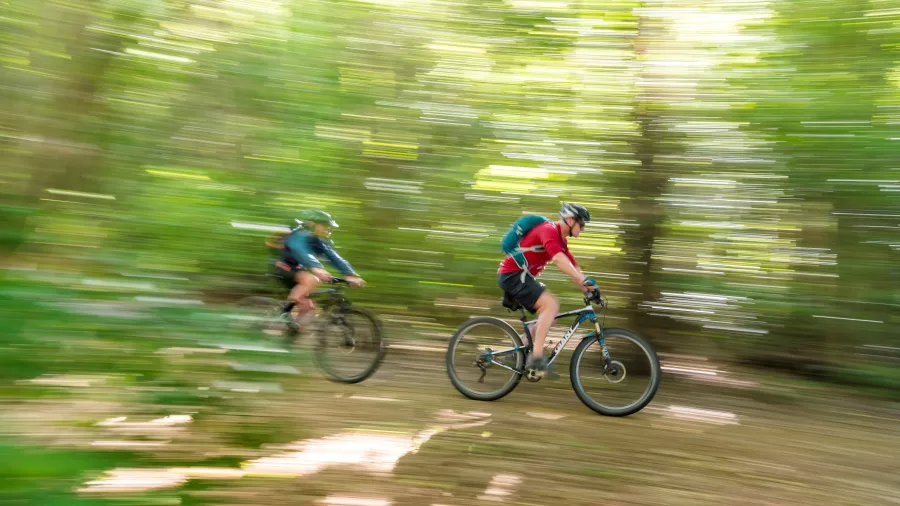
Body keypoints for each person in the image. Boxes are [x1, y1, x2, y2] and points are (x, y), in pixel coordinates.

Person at [497, 203, 599, 378]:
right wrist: (582, 281)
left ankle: (517, 352)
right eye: (581, 224)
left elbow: (574, 267)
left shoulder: (561, 241)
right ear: (569, 220)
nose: (583, 229)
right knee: (550, 305)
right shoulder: (548, 230)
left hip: (522, 277)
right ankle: (536, 358)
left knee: (551, 314)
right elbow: (559, 260)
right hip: (513, 275)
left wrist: (590, 290)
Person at [272, 209, 365, 325]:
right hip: (283, 267)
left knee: (308, 310)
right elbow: (299, 249)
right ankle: (283, 312)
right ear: (312, 224)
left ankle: (291, 336)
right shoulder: (299, 234)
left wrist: (350, 274)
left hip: (297, 272)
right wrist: (316, 268)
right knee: (312, 279)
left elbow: (334, 257)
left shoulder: (319, 241)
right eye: (325, 225)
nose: (328, 229)